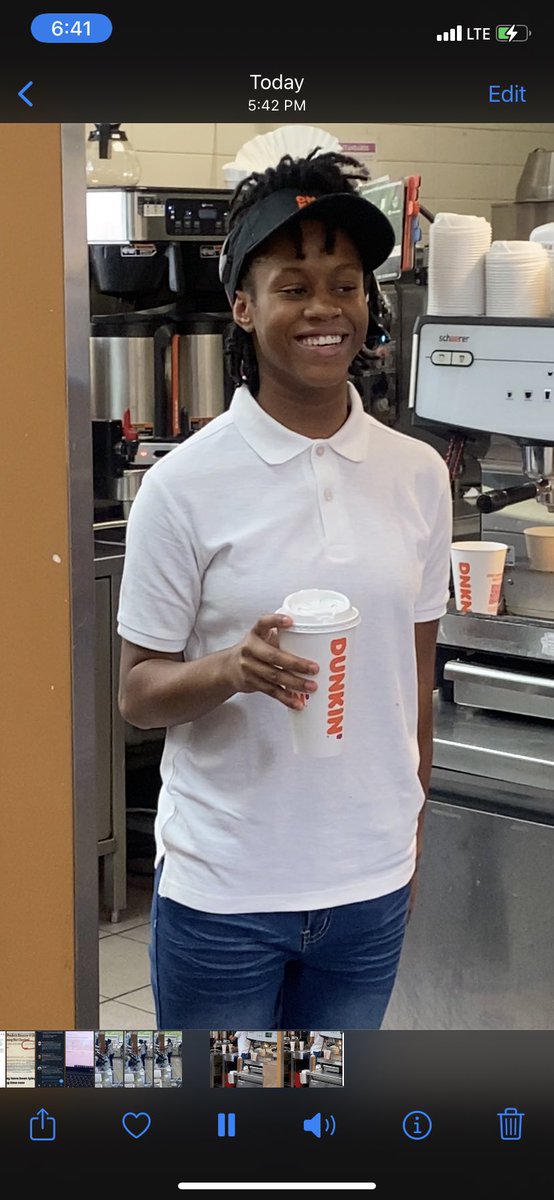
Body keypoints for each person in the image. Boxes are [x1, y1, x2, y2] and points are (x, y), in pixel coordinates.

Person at [117, 149, 452, 1030]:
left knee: (317, 1130)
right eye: (294, 284)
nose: (325, 309)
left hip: (368, 887)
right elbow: (138, 695)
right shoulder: (184, 484)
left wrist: (408, 835)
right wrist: (231, 669)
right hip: (228, 888)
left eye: (345, 285)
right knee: (227, 1133)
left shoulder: (417, 474)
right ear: (243, 305)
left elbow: (410, 681)